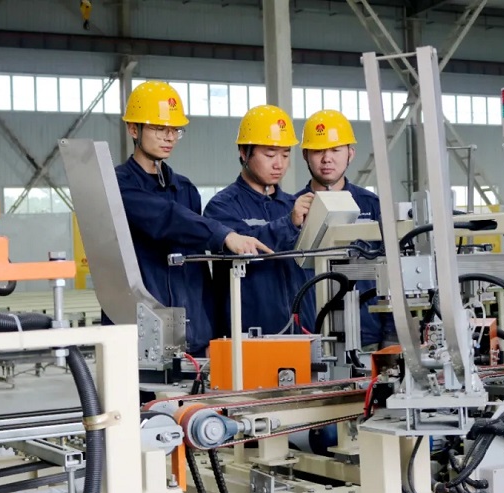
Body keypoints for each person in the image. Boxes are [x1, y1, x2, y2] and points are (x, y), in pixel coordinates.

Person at [107, 80, 270, 357]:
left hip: (194, 334)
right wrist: (224, 235)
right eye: (159, 129)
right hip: (140, 334)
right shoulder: (117, 185)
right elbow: (166, 218)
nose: (169, 137)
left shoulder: (185, 189)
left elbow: (199, 269)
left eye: (175, 130)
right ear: (134, 129)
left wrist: (211, 332)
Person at [204, 104, 315, 336]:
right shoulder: (222, 207)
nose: (279, 164)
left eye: (285, 154)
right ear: (244, 152)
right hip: (246, 337)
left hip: (299, 333)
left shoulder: (291, 205)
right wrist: (289, 224)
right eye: (270, 154)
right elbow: (247, 248)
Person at [294, 109, 396, 350]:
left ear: (350, 153)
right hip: (309, 337)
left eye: (335, 150)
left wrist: (391, 335)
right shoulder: (293, 211)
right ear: (305, 155)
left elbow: (393, 272)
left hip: (367, 337)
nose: (327, 159)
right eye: (318, 151)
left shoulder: (372, 205)